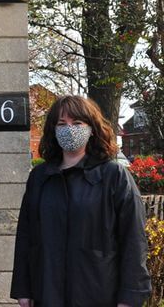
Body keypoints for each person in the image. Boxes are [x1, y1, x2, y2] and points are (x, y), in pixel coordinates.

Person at [11, 95, 151, 306]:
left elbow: (133, 240)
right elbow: (26, 235)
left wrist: (130, 296)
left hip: (99, 292)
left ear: (91, 128)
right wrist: (23, 288)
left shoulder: (114, 176)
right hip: (47, 292)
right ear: (54, 129)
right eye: (62, 124)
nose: (69, 129)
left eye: (77, 123)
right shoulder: (40, 177)